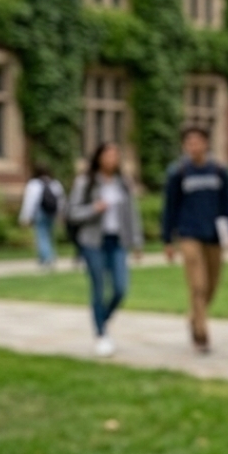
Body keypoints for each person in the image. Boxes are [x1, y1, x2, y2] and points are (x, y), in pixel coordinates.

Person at [161, 125, 228, 353]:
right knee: (198, 285)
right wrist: (167, 240)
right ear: (185, 146)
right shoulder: (178, 173)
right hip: (188, 235)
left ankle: (195, 316)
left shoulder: (219, 171)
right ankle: (201, 333)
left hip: (215, 235)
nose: (193, 146)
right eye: (189, 142)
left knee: (212, 285)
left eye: (198, 141)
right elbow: (170, 208)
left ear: (206, 144)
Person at [68, 142, 143, 357]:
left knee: (120, 288)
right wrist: (94, 208)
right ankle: (101, 334)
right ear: (99, 157)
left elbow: (132, 214)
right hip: (93, 242)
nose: (112, 159)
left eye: (115, 155)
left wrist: (136, 242)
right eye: (108, 155)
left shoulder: (123, 184)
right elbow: (71, 212)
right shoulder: (86, 182)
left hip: (117, 241)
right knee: (99, 288)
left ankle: (102, 319)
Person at [18, 165, 65, 269]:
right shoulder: (55, 184)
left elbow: (29, 202)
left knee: (41, 235)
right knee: (49, 235)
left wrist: (25, 217)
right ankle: (47, 257)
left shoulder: (34, 184)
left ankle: (47, 258)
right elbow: (61, 200)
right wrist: (61, 215)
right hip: (52, 213)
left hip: (40, 213)